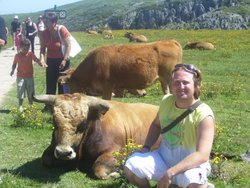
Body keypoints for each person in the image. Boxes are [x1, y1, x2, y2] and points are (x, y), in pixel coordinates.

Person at [124, 64, 215, 188]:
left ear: (196, 86)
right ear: (171, 85)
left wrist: (170, 173)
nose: (180, 87)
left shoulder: (204, 114)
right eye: (176, 82)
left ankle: (201, 184)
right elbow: (156, 125)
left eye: (185, 82)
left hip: (191, 166)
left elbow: (202, 155)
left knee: (194, 182)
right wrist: (146, 147)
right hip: (164, 159)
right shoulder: (167, 101)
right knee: (131, 166)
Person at [40, 12, 71, 111]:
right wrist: (42, 59)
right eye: (44, 20)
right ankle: (49, 105)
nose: (45, 23)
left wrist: (64, 60)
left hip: (63, 60)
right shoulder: (44, 33)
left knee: (62, 84)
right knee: (50, 84)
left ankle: (63, 106)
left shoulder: (62, 29)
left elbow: (68, 45)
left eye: (47, 21)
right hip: (50, 60)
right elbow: (42, 48)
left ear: (54, 22)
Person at [10, 37, 47, 112]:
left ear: (29, 48)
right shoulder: (17, 55)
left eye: (27, 48)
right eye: (24, 49)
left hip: (29, 77)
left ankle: (31, 105)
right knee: (20, 91)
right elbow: (14, 64)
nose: (26, 50)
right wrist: (12, 71)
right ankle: (20, 106)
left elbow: (36, 60)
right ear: (20, 47)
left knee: (31, 92)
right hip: (20, 77)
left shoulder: (30, 54)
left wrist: (41, 63)